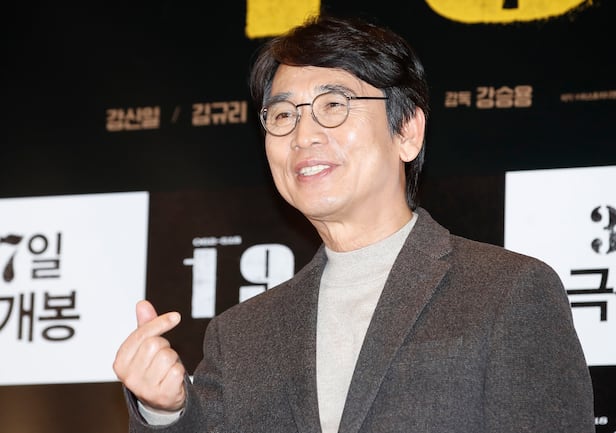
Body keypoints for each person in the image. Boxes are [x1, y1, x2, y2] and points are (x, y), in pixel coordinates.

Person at [113, 14, 595, 433]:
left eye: (333, 106)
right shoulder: (240, 335)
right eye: (282, 114)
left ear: (407, 132)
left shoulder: (507, 292)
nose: (303, 135)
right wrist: (164, 411)